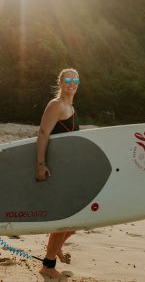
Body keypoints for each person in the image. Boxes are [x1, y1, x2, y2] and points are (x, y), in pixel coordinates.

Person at [35, 68, 80, 279]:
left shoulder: (70, 106)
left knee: (76, 221)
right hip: (56, 170)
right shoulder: (56, 105)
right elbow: (43, 132)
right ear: (60, 83)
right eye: (67, 79)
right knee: (64, 220)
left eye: (75, 79)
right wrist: (40, 164)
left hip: (69, 171)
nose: (72, 83)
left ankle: (56, 249)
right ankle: (48, 265)